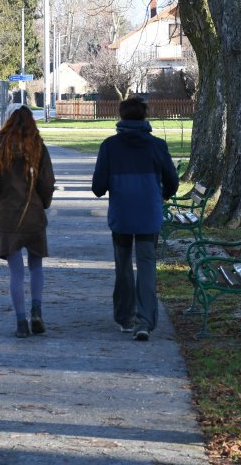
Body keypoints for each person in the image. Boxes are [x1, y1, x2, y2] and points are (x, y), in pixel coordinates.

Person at [91, 97, 179, 341]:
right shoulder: (157, 146)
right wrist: (159, 195)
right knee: (147, 265)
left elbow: (98, 187)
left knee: (123, 265)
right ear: (144, 117)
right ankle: (145, 321)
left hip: (122, 213)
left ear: (121, 117)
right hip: (148, 214)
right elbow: (172, 181)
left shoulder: (109, 146)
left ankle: (125, 316)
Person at [0, 106, 56, 338]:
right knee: (36, 266)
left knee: (15, 272)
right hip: (33, 214)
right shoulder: (38, 146)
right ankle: (37, 311)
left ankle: (21, 322)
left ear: (8, 120)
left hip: (8, 217)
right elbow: (47, 182)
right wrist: (42, 203)